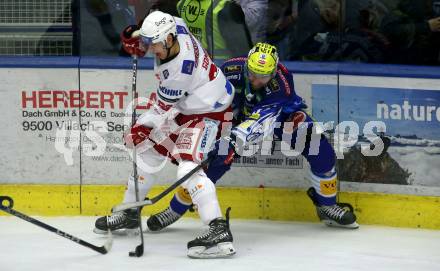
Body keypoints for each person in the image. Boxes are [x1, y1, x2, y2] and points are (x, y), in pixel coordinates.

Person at [147, 42, 359, 231]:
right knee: (214, 162)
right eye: (251, 72)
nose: (255, 79)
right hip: (233, 116)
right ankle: (175, 209)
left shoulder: (281, 86)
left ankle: (327, 205)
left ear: (274, 72)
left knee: (319, 149)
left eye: (262, 76)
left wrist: (233, 140)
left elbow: (260, 122)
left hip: (277, 116)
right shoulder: (231, 69)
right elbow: (208, 97)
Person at [93, 10, 236, 259]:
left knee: (187, 167)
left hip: (210, 113)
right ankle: (130, 212)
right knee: (147, 152)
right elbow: (152, 23)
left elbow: (160, 109)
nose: (151, 50)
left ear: (169, 40)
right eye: (149, 44)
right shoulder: (176, 27)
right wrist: (136, 34)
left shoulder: (180, 71)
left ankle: (218, 229)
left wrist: (142, 127)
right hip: (189, 106)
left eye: (155, 45)